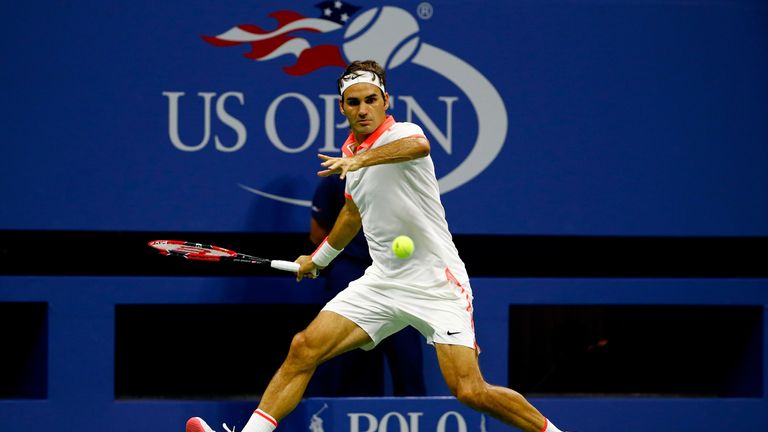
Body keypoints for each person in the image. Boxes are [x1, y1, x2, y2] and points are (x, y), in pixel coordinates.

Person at [186, 60, 566, 432]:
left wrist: (362, 159)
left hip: (436, 282)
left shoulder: (401, 134)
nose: (363, 109)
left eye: (371, 99)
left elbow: (419, 146)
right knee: (304, 348)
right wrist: (318, 260)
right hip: (382, 281)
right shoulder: (349, 153)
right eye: (354, 102)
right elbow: (353, 215)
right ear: (342, 107)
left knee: (469, 390)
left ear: (386, 100)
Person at [305, 174, 426, 397]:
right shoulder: (336, 181)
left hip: (397, 277)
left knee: (407, 362)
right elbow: (317, 234)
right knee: (337, 356)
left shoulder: (406, 176)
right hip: (350, 273)